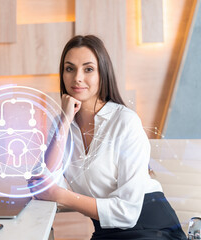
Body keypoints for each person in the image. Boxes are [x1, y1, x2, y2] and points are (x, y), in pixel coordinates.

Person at [29, 35, 187, 239]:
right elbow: (42, 183)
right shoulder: (61, 125)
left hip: (152, 228)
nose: (77, 77)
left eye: (88, 69)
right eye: (70, 69)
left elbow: (128, 213)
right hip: (107, 232)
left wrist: (61, 196)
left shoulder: (125, 121)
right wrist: (65, 120)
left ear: (102, 73)